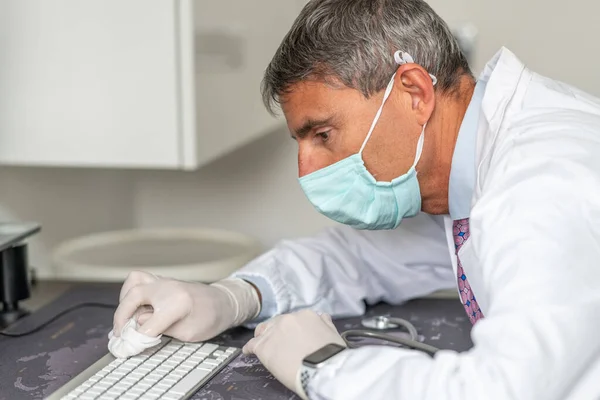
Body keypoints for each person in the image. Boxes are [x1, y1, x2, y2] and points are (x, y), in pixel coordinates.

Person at [111, 0, 600, 398]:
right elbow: (355, 259)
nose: (306, 170)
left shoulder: (539, 186)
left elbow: (502, 390)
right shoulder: (473, 164)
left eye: (322, 133)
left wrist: (322, 366)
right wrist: (232, 296)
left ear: (413, 92)